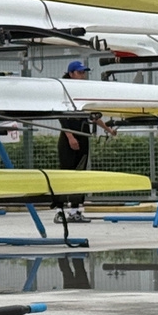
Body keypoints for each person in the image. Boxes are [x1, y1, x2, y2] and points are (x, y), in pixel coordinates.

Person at [55, 59, 115, 223]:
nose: (83, 75)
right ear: (71, 74)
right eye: (80, 72)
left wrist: (108, 129)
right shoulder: (64, 91)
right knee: (65, 174)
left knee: (80, 174)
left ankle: (75, 210)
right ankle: (60, 211)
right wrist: (70, 137)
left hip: (83, 135)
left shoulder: (83, 92)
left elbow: (92, 115)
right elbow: (62, 117)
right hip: (69, 137)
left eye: (84, 73)